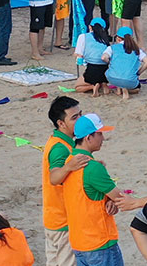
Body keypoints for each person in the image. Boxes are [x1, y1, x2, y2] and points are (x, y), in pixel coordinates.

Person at [62, 113, 128, 266]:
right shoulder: (92, 167)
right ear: (88, 138)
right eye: (99, 134)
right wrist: (114, 198)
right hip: (99, 243)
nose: (103, 138)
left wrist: (110, 198)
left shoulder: (69, 161)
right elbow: (121, 198)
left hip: (79, 242)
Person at [42, 96, 87, 266]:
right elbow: (54, 178)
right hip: (63, 219)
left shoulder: (58, 142)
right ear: (61, 123)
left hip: (53, 217)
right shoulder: (60, 147)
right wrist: (69, 167)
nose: (80, 120)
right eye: (74, 117)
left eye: (80, 114)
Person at [102, 27, 147, 100]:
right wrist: (138, 73)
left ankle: (119, 89)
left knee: (117, 71)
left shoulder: (112, 47)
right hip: (130, 80)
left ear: (118, 38)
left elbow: (103, 57)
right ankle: (124, 89)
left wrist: (110, 63)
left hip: (112, 78)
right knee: (136, 88)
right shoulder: (137, 50)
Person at [74, 19, 114, 95]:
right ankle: (104, 84)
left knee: (78, 87)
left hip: (92, 68)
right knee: (100, 76)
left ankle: (92, 87)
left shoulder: (83, 37)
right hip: (105, 69)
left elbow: (78, 54)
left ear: (90, 27)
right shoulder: (105, 39)